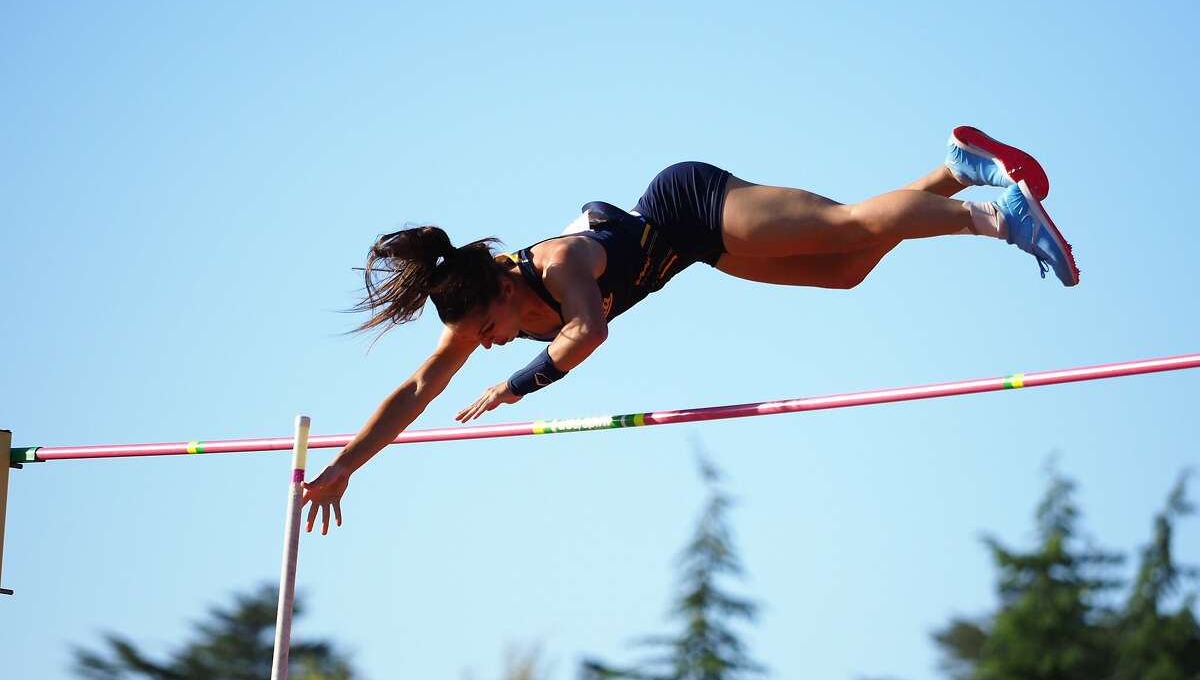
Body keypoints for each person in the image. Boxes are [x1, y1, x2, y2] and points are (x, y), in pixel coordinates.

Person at [301, 126, 1077, 534]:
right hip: (691, 256)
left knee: (846, 225)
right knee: (847, 269)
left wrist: (518, 383)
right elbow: (414, 390)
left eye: (492, 329)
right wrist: (346, 466)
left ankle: (996, 217)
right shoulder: (480, 310)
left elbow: (590, 332)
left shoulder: (561, 264)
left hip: (691, 207)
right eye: (484, 340)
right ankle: (952, 170)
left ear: (504, 286)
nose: (491, 341)